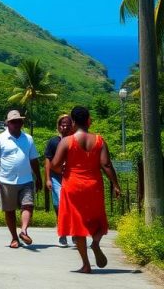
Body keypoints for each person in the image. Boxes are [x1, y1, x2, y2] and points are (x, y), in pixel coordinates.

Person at [51, 106, 121, 273]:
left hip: (72, 185)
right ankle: (95, 243)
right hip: (94, 185)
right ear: (88, 120)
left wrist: (66, 170)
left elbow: (54, 165)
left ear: (73, 122)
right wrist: (116, 185)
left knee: (77, 224)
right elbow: (106, 164)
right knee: (97, 219)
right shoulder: (99, 140)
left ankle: (86, 265)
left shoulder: (67, 141)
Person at [0, 110, 41, 248]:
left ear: (22, 123)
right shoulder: (0, 139)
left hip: (26, 179)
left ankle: (24, 230)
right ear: (8, 123)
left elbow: (34, 159)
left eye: (19, 121)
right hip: (7, 180)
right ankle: (14, 238)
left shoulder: (28, 138)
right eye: (13, 121)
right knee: (9, 210)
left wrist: (39, 177)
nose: (17, 124)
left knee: (28, 205)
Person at [44, 114, 74, 245]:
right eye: (62, 124)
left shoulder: (75, 140)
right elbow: (47, 160)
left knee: (72, 206)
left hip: (72, 177)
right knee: (60, 205)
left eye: (67, 123)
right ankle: (62, 233)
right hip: (56, 177)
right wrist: (48, 179)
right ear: (58, 126)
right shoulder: (53, 141)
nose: (65, 126)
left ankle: (74, 231)